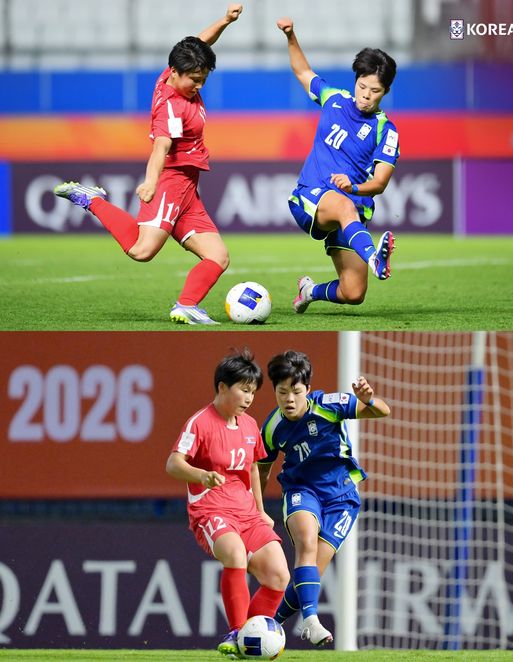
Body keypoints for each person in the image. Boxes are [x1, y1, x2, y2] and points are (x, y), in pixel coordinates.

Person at [54, 5, 244, 326]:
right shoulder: (171, 108)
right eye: (195, 80)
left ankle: (186, 305)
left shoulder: (172, 73)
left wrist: (225, 21)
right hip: (170, 182)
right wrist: (151, 182)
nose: (199, 85)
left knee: (218, 256)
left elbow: (200, 42)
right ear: (175, 72)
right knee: (141, 251)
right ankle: (92, 200)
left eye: (203, 79)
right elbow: (161, 147)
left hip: (188, 189)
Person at [258, 350, 390, 646]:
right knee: (306, 541)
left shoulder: (331, 405)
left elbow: (383, 411)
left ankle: (268, 626)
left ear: (307, 389)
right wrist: (256, 510)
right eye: (282, 392)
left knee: (309, 575)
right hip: (301, 490)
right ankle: (311, 621)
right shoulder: (272, 428)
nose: (289, 399)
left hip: (342, 497)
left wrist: (368, 399)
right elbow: (261, 472)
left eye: (296, 391)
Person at [166, 349, 290, 658]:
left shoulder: (249, 425)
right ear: (222, 387)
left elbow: (252, 468)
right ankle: (236, 633)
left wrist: (261, 510)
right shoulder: (200, 423)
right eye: (243, 390)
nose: (249, 398)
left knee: (279, 575)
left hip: (247, 513)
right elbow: (173, 463)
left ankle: (249, 639)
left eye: (253, 392)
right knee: (234, 554)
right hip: (211, 511)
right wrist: (201, 475)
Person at [277, 17, 399, 314]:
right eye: (362, 86)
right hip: (311, 196)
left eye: (375, 91)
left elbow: (380, 183)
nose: (366, 95)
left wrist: (353, 187)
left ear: (385, 91)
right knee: (344, 206)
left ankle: (309, 291)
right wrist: (291, 35)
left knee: (353, 293)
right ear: (355, 80)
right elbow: (302, 71)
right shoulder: (334, 99)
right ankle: (375, 259)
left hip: (350, 208)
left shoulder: (386, 130)